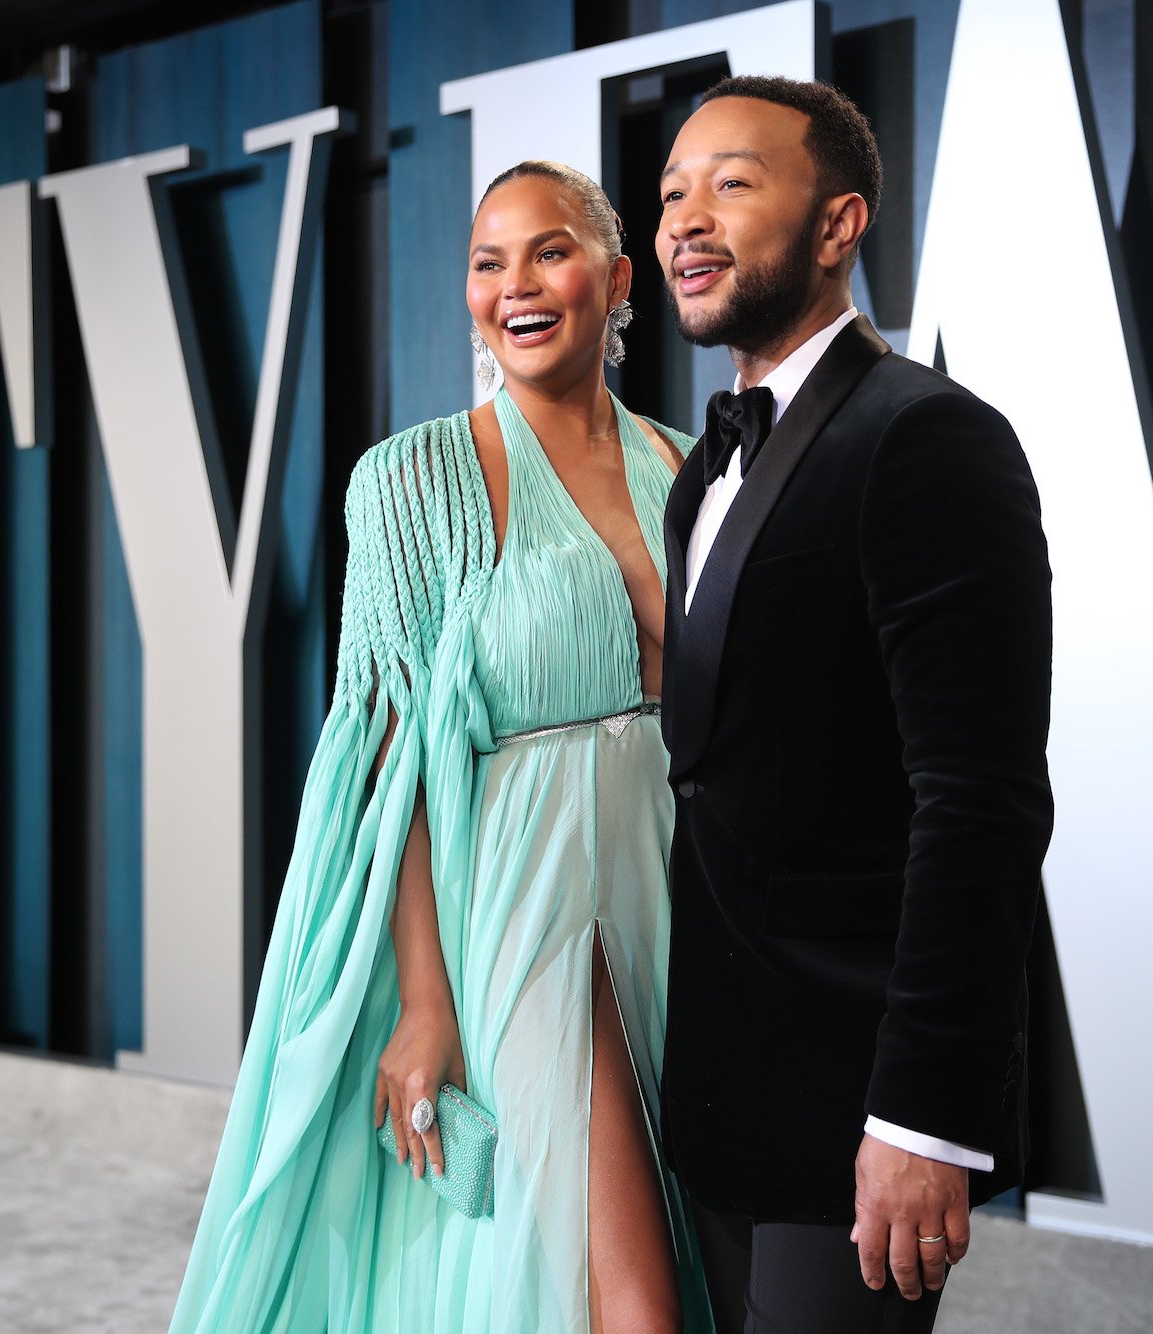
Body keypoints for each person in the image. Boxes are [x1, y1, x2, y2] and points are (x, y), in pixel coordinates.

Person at [170, 160, 712, 1333]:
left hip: (686, 891)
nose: (514, 284)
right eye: (486, 261)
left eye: (549, 251)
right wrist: (426, 996)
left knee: (682, 1243)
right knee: (628, 1294)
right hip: (524, 904)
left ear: (618, 280)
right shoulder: (410, 481)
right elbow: (388, 765)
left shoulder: (690, 466)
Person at [654, 77, 1054, 1333]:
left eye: (731, 182)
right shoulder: (703, 469)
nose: (685, 220)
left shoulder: (926, 439)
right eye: (670, 194)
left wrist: (922, 1113)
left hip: (859, 1100)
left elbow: (977, 803)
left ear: (837, 225)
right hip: (723, 1089)